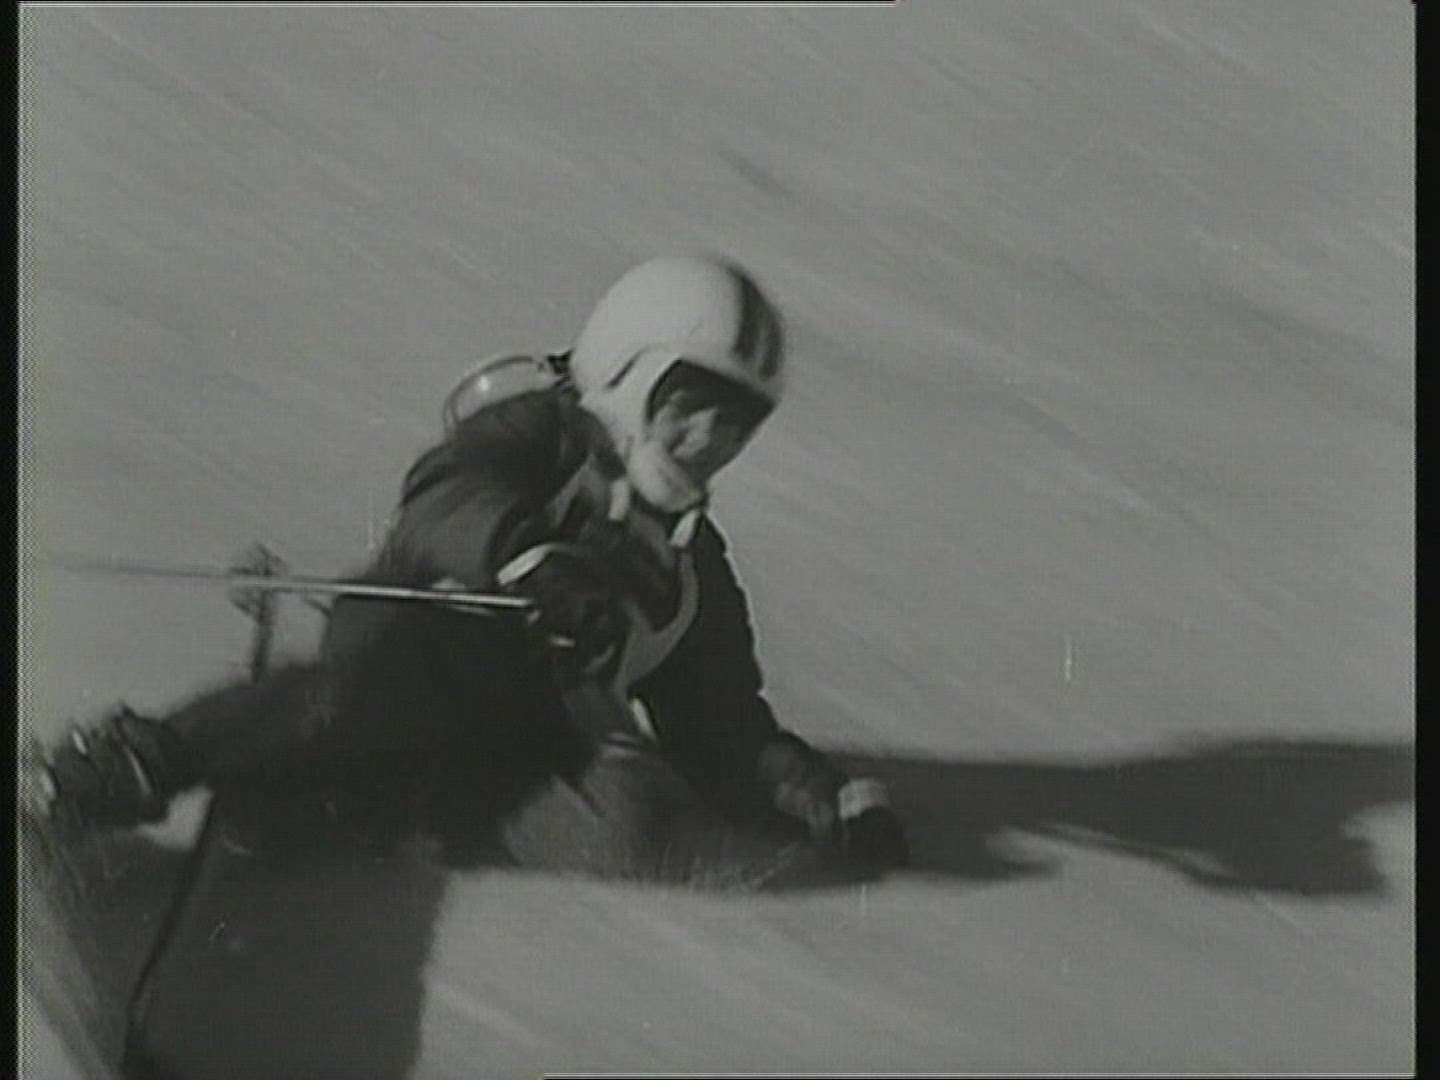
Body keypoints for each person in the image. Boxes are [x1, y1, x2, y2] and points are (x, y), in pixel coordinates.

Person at [24, 254, 908, 888]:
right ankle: (107, 774)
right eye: (689, 407)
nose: (708, 440)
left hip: (518, 751)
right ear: (630, 372)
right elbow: (444, 498)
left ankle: (340, 804)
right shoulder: (546, 436)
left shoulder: (688, 567)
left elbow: (722, 719)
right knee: (355, 697)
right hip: (410, 660)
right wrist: (533, 560)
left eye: (736, 425)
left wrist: (815, 796)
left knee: (643, 829)